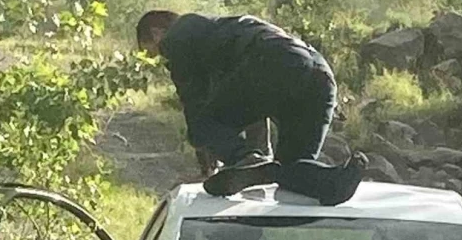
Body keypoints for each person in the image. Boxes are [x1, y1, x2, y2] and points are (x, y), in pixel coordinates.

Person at [136, 10, 367, 206]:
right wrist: (255, 155)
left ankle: (247, 158)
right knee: (290, 170)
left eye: (150, 51)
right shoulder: (224, 33)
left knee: (200, 126)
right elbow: (251, 105)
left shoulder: (179, 34)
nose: (159, 58)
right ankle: (335, 182)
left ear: (157, 33)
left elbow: (194, 102)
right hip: (319, 76)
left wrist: (212, 163)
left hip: (276, 62)